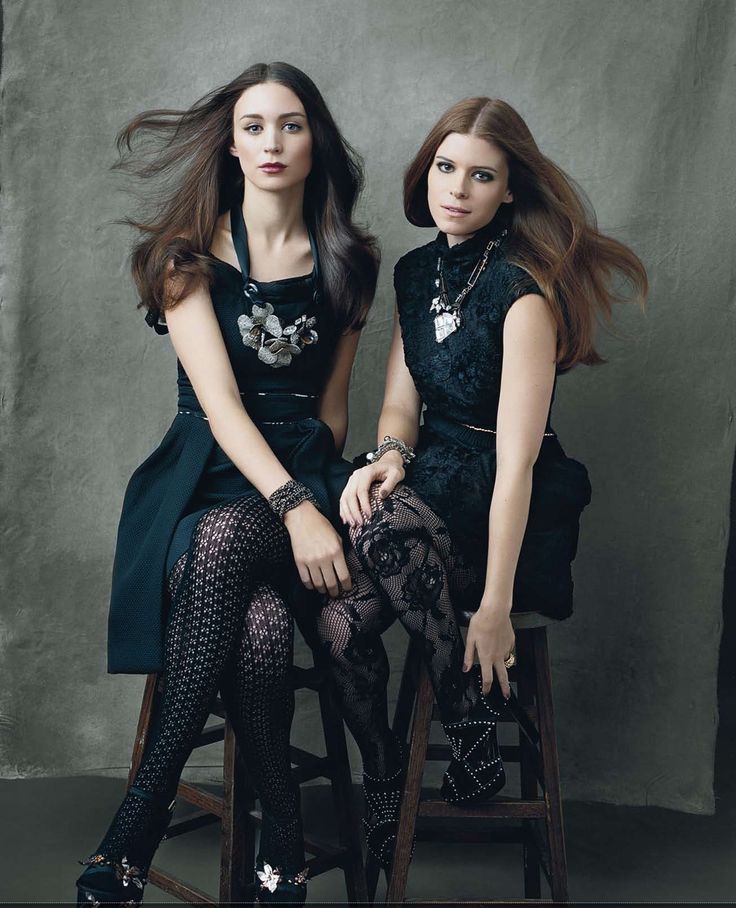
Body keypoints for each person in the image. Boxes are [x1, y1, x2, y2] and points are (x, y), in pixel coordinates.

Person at [75, 62, 379, 906]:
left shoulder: (352, 260)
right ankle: (280, 837)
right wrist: (295, 512)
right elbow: (220, 408)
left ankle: (134, 828)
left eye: (290, 124)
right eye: (253, 126)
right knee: (256, 618)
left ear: (315, 142)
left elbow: (333, 413)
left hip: (303, 482)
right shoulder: (186, 259)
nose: (271, 142)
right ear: (232, 144)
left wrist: (315, 504)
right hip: (202, 480)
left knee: (256, 595)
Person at [318, 97, 647, 866]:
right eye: (445, 167)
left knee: (381, 524)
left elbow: (517, 464)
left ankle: (468, 723)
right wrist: (390, 454)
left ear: (509, 192)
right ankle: (384, 779)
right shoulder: (415, 272)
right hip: (433, 476)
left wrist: (495, 605)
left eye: (481, 175)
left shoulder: (522, 292)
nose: (456, 188)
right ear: (426, 171)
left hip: (510, 496)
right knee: (338, 623)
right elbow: (400, 402)